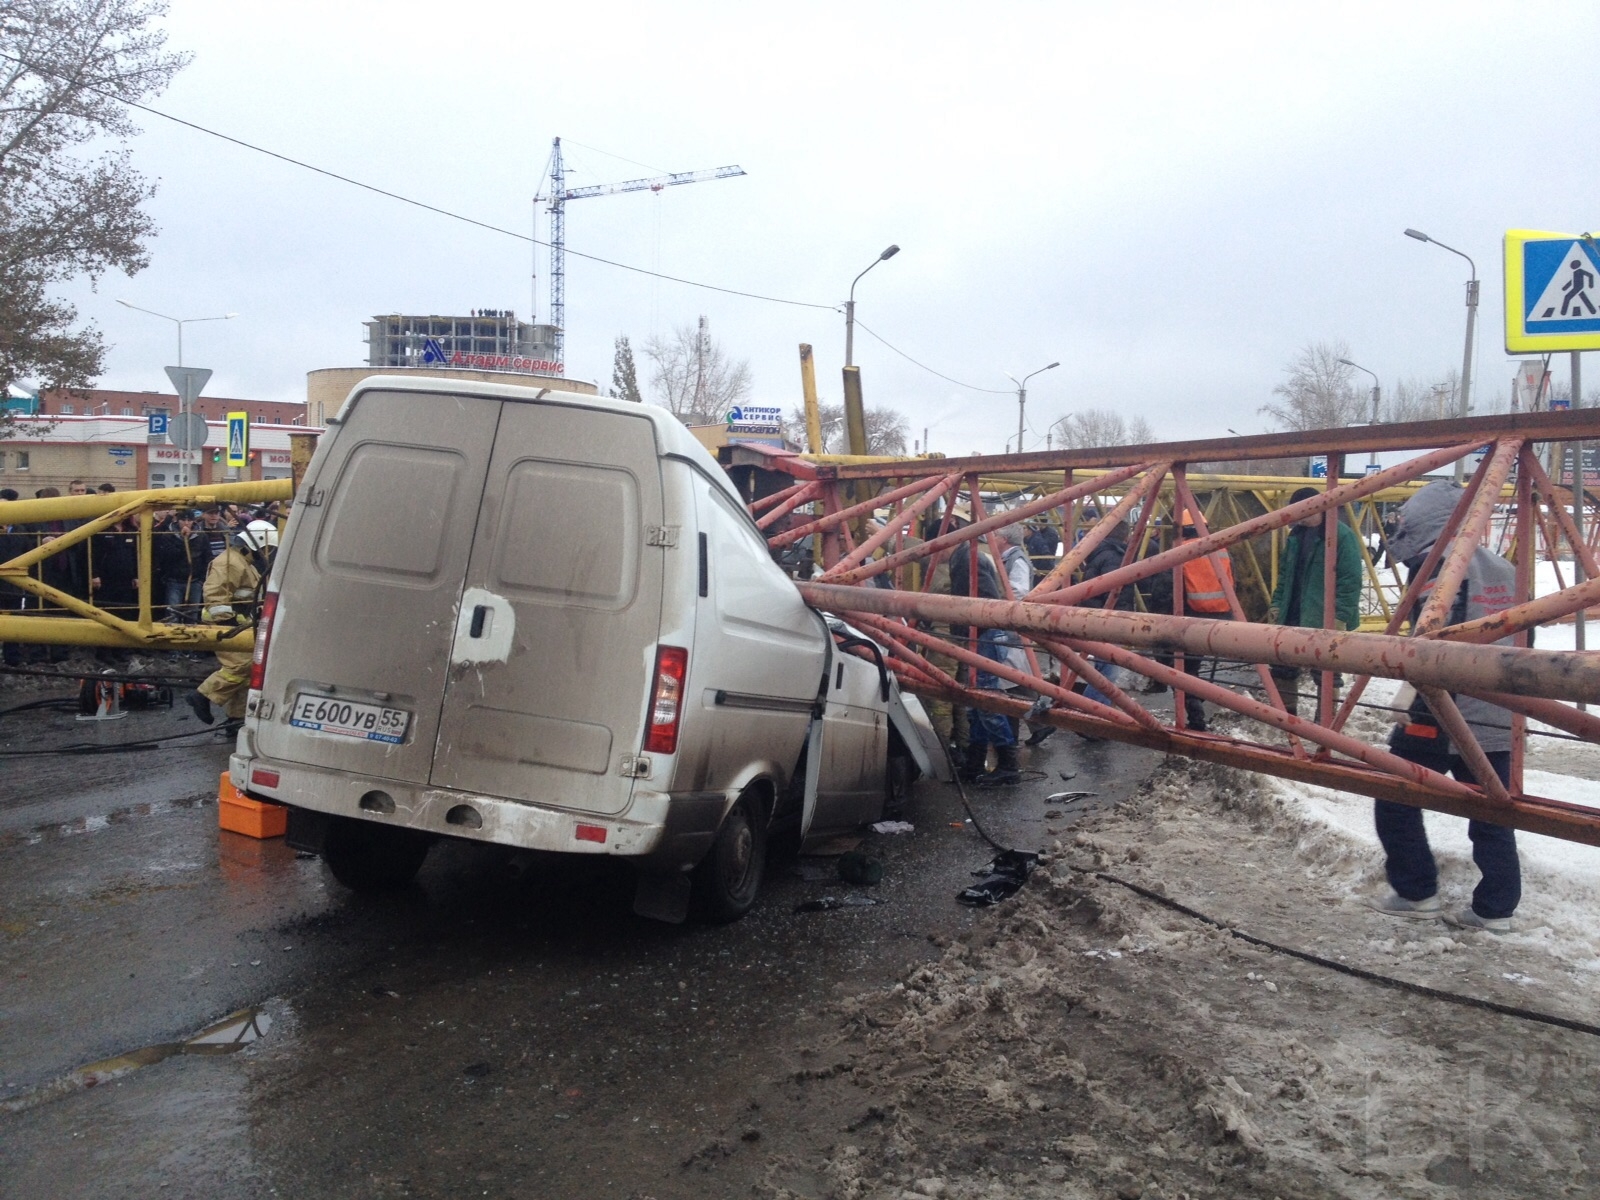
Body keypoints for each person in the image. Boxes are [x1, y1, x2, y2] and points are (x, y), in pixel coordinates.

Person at [1369, 480, 1521, 933]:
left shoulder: (1442, 570)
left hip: (1441, 710)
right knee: (1492, 808)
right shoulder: (1504, 568)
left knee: (1395, 794)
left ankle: (1416, 893)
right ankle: (1496, 910)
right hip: (1497, 712)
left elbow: (1434, 645)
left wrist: (1412, 700)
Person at [1268, 486, 1364, 718]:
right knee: (1282, 664)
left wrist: (1340, 617)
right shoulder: (1296, 536)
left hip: (1324, 614)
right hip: (1294, 611)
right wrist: (1277, 602)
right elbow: (1285, 575)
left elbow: (1350, 581)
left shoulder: (1341, 536)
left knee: (1326, 670)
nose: (1298, 516)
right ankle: (1286, 716)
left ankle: (1326, 724)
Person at [187, 520, 277, 725]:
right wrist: (226, 623)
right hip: (224, 625)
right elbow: (215, 595)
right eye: (267, 548)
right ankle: (202, 695)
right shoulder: (230, 562)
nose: (267, 552)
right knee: (241, 665)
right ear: (256, 544)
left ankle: (236, 719)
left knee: (247, 671)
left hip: (238, 624)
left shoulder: (243, 563)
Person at [1173, 509, 1235, 732]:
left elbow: (1168, 590)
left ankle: (1195, 717)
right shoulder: (1221, 549)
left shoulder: (1181, 552)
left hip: (1192, 618)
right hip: (1221, 616)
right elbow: (1231, 581)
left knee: (1183, 670)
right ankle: (1199, 700)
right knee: (1195, 669)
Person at [154, 510, 212, 623]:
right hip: (174, 581)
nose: (186, 523)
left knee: (193, 615)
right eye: (183, 520)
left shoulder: (201, 536)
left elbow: (207, 557)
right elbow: (168, 557)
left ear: (193, 521)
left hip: (195, 581)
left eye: (189, 520)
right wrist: (183, 540)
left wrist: (202, 579)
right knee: (172, 615)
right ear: (177, 520)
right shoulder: (168, 536)